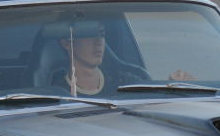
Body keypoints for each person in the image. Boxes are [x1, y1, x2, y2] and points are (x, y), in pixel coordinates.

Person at [45, 21, 192, 96]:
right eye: (89, 35)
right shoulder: (53, 93)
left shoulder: (128, 82)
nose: (98, 42)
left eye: (102, 34)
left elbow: (153, 107)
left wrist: (174, 88)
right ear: (67, 43)